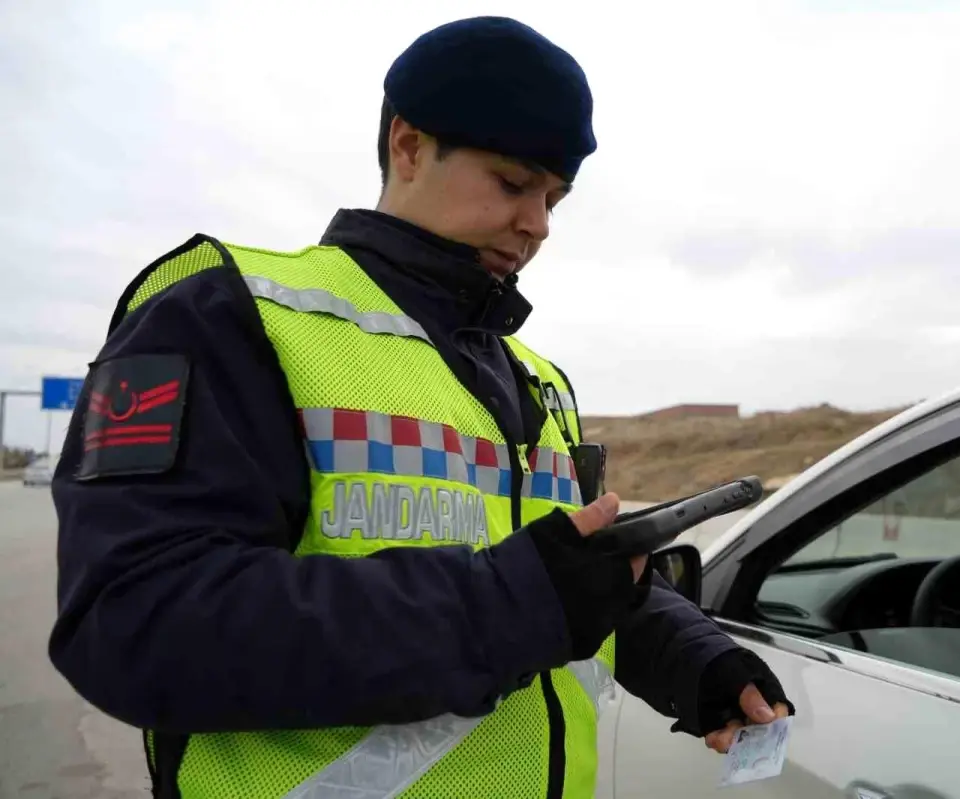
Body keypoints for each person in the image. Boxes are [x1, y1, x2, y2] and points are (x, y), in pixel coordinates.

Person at [48, 16, 793, 799]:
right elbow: (134, 621)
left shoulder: (539, 380)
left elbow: (568, 586)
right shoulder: (230, 318)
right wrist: (505, 605)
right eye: (513, 184)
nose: (539, 224)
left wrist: (693, 658)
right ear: (407, 146)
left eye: (554, 197)